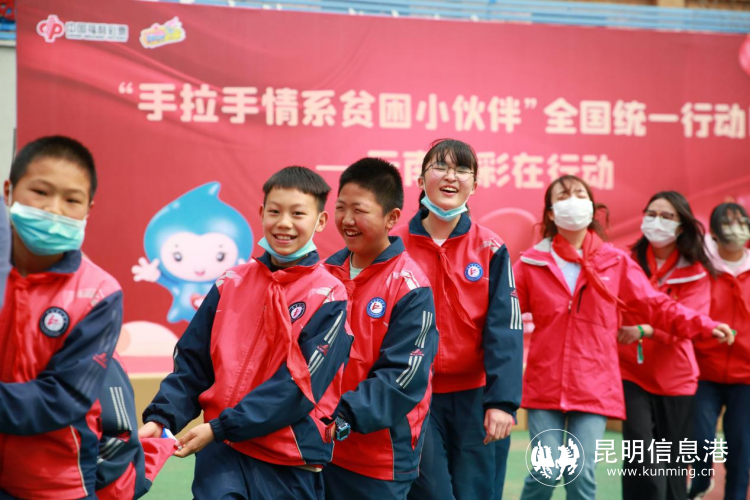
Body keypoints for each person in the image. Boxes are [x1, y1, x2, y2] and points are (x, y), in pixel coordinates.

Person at [513, 175, 734, 500]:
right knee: (544, 472)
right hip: (544, 384)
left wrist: (702, 324)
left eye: (579, 194)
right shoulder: (532, 262)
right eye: (563, 196)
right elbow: (502, 311)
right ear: (550, 212)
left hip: (594, 384)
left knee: (580, 474)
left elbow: (656, 305)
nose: (572, 201)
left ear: (591, 207)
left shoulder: (614, 262)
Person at [139, 166, 353, 500]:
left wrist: (220, 427)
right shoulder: (231, 282)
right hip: (222, 454)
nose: (284, 223)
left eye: (298, 213)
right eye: (275, 212)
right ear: (261, 213)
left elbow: (298, 388)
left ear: (321, 221)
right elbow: (193, 365)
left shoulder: (329, 295)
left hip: (288, 460)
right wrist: (161, 418)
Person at [393, 139, 523, 500]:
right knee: (430, 492)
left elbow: (505, 329)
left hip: (475, 398)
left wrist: (502, 402)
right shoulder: (394, 246)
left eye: (462, 169)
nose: (451, 176)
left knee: (476, 492)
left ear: (474, 185)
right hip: (412, 395)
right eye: (440, 167)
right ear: (421, 181)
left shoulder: (490, 247)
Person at [0, 136, 123, 499]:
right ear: (8, 191)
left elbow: (64, 397)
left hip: (54, 482)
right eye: (40, 192)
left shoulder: (100, 293)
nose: (54, 209)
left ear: (88, 209)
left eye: (71, 200)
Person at [322, 158, 438, 500]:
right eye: (341, 208)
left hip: (378, 462)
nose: (347, 220)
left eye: (359, 210)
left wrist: (341, 416)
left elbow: (403, 377)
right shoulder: (323, 275)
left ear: (391, 217)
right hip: (318, 450)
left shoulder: (410, 286)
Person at [617, 191, 715, 500]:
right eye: (651, 214)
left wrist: (646, 329)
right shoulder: (625, 261)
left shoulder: (696, 272)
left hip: (676, 380)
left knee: (672, 470)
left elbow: (689, 322)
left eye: (667, 216)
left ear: (682, 226)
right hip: (631, 372)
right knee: (641, 460)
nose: (656, 221)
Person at [689, 202, 750, 500]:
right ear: (712, 232)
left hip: (746, 377)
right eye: (727, 223)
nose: (736, 229)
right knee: (700, 440)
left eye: (742, 222)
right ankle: (701, 481)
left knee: (741, 447)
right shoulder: (700, 269)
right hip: (704, 372)